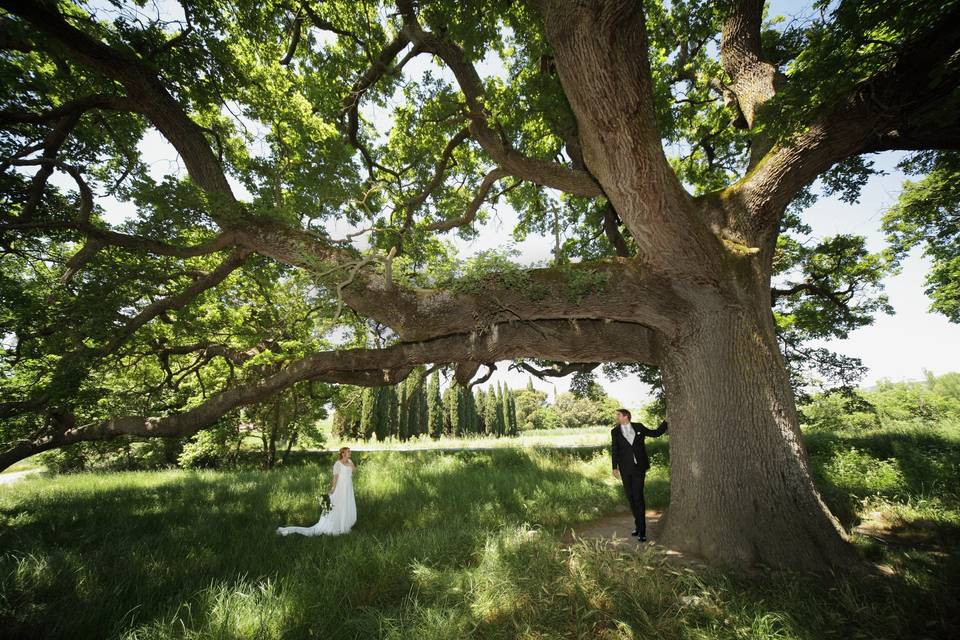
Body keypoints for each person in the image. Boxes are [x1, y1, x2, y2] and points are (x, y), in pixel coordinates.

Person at [610, 408, 667, 541]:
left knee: (638, 497)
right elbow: (615, 450)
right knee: (631, 498)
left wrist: (666, 422)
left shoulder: (639, 426)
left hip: (639, 468)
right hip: (625, 469)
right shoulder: (615, 431)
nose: (616, 417)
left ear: (625, 416)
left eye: (618, 415)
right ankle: (638, 525)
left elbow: (655, 433)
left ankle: (642, 531)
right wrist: (614, 467)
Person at [277, 447, 357, 537]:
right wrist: (333, 489)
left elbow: (354, 471)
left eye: (350, 451)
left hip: (348, 488)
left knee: (345, 504)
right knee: (338, 505)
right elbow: (335, 478)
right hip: (341, 488)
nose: (350, 453)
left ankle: (344, 524)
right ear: (343, 454)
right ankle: (337, 526)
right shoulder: (338, 464)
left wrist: (351, 466)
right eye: (348, 451)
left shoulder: (350, 462)